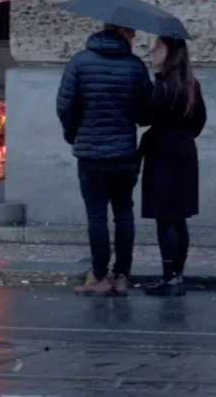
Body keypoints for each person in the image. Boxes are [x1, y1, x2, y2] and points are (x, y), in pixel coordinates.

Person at [56, 23, 154, 296]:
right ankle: (122, 276)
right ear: (123, 32)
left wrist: (75, 134)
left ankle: (99, 276)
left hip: (90, 153)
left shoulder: (79, 62)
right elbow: (146, 114)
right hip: (124, 152)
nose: (136, 36)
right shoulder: (135, 66)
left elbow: (65, 105)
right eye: (133, 32)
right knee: (124, 214)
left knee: (97, 217)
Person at [139, 36, 207, 297]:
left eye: (157, 46)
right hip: (185, 151)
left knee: (165, 217)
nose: (151, 51)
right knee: (179, 217)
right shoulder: (191, 84)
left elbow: (145, 116)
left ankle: (169, 277)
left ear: (170, 51)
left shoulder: (165, 84)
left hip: (163, 152)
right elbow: (200, 120)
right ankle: (177, 275)